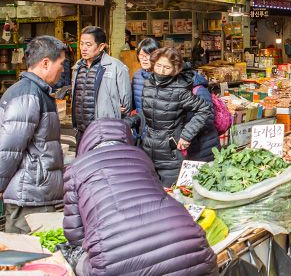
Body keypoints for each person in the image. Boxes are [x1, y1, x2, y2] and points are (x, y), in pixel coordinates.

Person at [63, 118, 218, 275]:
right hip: (187, 242)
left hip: (115, 259)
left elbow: (75, 236)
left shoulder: (75, 169)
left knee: (81, 262)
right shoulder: (140, 156)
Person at [0, 36, 66, 233]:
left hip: (34, 189)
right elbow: (8, 148)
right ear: (45, 63)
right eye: (61, 64)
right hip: (29, 193)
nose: (62, 70)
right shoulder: (29, 95)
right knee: (29, 254)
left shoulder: (35, 91)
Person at [140, 47, 214, 186]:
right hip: (148, 147)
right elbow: (147, 112)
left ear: (175, 69)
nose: (161, 71)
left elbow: (204, 108)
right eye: (158, 65)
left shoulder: (180, 89)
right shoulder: (147, 84)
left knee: (171, 193)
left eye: (167, 67)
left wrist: (186, 135)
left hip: (171, 151)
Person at [71, 26, 132, 144]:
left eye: (88, 45)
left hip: (104, 132)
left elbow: (126, 105)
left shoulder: (116, 67)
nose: (83, 48)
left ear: (101, 47)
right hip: (81, 130)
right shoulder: (77, 67)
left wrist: (114, 107)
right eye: (81, 44)